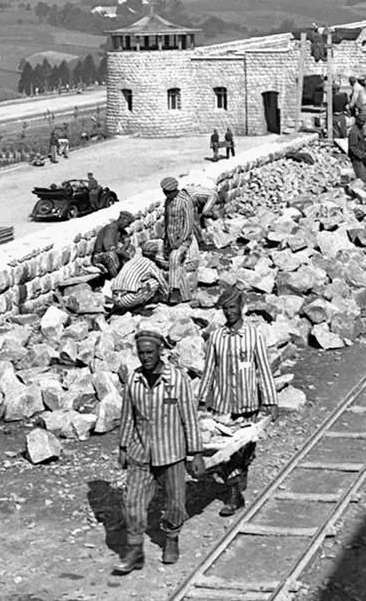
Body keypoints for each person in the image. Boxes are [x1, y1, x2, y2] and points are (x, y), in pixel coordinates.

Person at [114, 329, 205, 573]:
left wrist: (196, 453)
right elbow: (128, 415)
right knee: (131, 501)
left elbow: (190, 417)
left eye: (150, 352)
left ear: (160, 352)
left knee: (175, 502)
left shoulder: (176, 379)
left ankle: (171, 538)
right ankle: (134, 550)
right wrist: (123, 446)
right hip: (140, 451)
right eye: (141, 353)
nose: (145, 357)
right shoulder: (134, 380)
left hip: (172, 453)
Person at [200, 288, 278, 517]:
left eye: (233, 307)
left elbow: (263, 369)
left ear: (241, 308)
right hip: (223, 405)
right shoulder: (216, 337)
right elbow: (209, 371)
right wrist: (202, 399)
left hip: (248, 404)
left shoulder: (254, 336)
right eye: (225, 309)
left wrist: (271, 400)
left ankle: (240, 472)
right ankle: (234, 495)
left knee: (244, 447)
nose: (229, 313)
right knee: (227, 450)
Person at [160, 177, 196, 305]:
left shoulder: (185, 201)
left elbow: (189, 223)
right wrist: (166, 241)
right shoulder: (167, 201)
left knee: (174, 258)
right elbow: (167, 221)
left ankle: (174, 290)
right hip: (170, 239)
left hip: (183, 239)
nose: (166, 194)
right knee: (177, 266)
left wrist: (180, 240)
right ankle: (186, 296)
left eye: (168, 192)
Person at [109, 241, 167, 313]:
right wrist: (166, 293)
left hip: (114, 297)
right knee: (154, 282)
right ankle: (138, 307)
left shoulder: (133, 260)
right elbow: (161, 280)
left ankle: (123, 306)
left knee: (138, 282)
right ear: (154, 254)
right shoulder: (149, 264)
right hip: (128, 299)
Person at [91, 211, 135, 277]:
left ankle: (125, 273)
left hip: (113, 252)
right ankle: (116, 278)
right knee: (111, 256)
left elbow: (127, 240)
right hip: (100, 255)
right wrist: (122, 253)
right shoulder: (111, 228)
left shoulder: (121, 230)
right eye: (128, 223)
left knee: (131, 248)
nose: (128, 226)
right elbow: (109, 248)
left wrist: (124, 249)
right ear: (123, 220)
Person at [347, 114, 366, 183]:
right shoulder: (354, 132)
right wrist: (362, 155)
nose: (362, 123)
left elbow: (361, 142)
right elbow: (353, 147)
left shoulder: (359, 130)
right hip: (357, 158)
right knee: (362, 178)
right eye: (361, 121)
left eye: (364, 121)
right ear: (357, 120)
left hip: (362, 157)